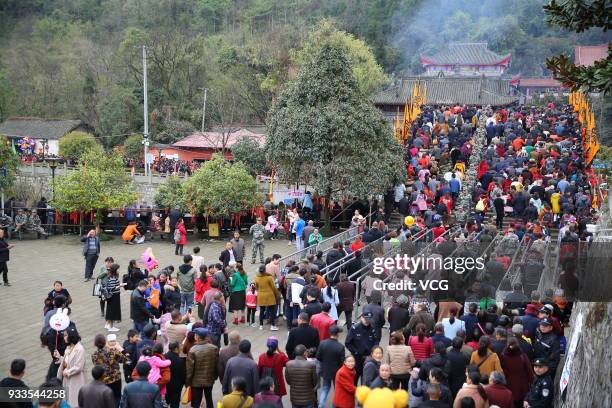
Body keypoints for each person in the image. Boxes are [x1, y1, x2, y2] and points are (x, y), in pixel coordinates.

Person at [186, 327, 218, 408]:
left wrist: (188, 382)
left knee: (196, 402)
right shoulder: (214, 348)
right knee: (209, 399)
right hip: (209, 379)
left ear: (197, 337)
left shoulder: (193, 350)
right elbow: (216, 364)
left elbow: (190, 369)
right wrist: (214, 377)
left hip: (196, 382)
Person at [91, 334, 126, 404]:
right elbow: (124, 360)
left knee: (107, 400)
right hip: (115, 378)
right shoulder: (112, 351)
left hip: (103, 380)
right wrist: (119, 349)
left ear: (95, 344)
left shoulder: (94, 355)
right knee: (117, 397)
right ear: (105, 342)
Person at [55, 328, 87, 407]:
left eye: (66, 335)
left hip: (76, 381)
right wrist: (60, 357)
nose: (64, 337)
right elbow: (68, 362)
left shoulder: (80, 349)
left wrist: (67, 372)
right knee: (69, 401)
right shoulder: (68, 348)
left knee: (76, 403)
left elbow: (78, 367)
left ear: (71, 336)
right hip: (68, 380)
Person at [316, 324, 345, 407]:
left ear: (330, 333)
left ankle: (321, 405)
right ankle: (334, 406)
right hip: (336, 372)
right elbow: (342, 362)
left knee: (325, 388)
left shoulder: (322, 343)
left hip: (325, 370)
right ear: (338, 334)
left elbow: (318, 357)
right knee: (337, 391)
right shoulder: (340, 347)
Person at [500, 337, 533, 407]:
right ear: (518, 345)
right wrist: (532, 381)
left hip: (508, 385)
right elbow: (529, 370)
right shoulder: (522, 355)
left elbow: (501, 370)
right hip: (522, 386)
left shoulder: (503, 356)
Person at [345, 312, 377, 384]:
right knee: (354, 381)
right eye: (365, 319)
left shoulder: (372, 329)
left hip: (368, 359)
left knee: (366, 381)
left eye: (368, 319)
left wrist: (374, 352)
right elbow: (348, 343)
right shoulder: (354, 328)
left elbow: (375, 341)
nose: (366, 321)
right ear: (361, 318)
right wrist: (356, 352)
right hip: (357, 360)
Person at [255, 265, 280, 331]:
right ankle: (272, 325)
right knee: (272, 311)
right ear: (265, 270)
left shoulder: (257, 278)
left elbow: (256, 287)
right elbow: (273, 287)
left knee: (261, 311)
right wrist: (276, 293)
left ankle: (261, 325)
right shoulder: (269, 277)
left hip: (261, 295)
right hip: (269, 295)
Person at [104, 264, 125, 332]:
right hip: (114, 296)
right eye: (118, 269)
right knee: (112, 311)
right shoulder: (113, 278)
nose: (119, 270)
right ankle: (111, 327)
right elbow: (112, 288)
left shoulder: (111, 276)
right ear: (115, 270)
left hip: (112, 297)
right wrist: (120, 285)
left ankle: (108, 324)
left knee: (110, 310)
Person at [164, 341, 185, 408]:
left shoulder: (164, 357)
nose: (181, 349)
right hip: (176, 387)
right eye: (179, 347)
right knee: (175, 404)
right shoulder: (180, 361)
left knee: (165, 403)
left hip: (166, 385)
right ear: (176, 349)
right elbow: (183, 375)